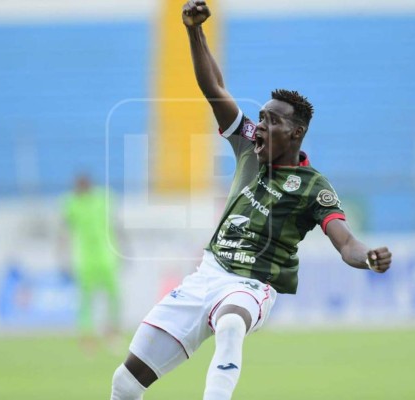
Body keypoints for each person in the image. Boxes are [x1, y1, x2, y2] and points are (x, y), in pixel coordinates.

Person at [110, 1, 392, 399]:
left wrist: (368, 257)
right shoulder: (247, 145)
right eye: (260, 117)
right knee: (124, 382)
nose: (259, 127)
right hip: (205, 275)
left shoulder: (313, 187)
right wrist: (194, 31)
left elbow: (345, 242)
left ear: (295, 134)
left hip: (251, 285)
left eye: (272, 121)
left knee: (229, 323)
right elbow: (214, 89)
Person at [63, 173, 122, 352]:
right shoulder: (71, 203)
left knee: (113, 296)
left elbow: (115, 224)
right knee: (86, 300)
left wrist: (123, 247)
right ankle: (87, 337)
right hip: (84, 259)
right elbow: (66, 230)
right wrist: (63, 256)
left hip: (106, 256)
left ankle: (111, 332)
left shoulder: (103, 198)